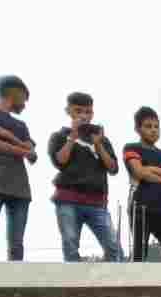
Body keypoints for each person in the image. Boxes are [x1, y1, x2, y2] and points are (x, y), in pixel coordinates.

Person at [45, 91, 121, 261]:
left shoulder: (101, 139)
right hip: (68, 200)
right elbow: (60, 161)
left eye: (87, 112)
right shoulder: (59, 136)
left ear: (92, 113)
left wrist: (98, 145)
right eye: (78, 111)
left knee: (113, 248)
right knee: (70, 246)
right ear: (69, 111)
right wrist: (72, 137)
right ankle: (73, 286)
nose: (84, 116)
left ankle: (109, 284)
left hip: (97, 202)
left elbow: (113, 168)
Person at [0, 74, 35, 261]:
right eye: (24, 98)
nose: (25, 104)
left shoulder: (22, 125)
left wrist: (7, 138)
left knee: (17, 243)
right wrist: (19, 145)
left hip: (20, 188)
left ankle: (17, 287)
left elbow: (32, 154)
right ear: (14, 93)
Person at [122, 106, 161, 262]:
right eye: (148, 126)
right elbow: (139, 173)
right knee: (139, 255)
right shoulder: (131, 148)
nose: (153, 130)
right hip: (141, 208)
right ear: (138, 128)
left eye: (156, 126)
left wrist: (150, 169)